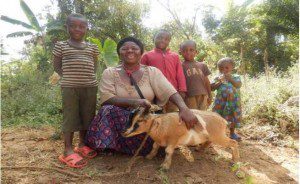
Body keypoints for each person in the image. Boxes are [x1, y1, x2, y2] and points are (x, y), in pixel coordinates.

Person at [85, 37, 201, 156]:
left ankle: (136, 148)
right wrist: (136, 102)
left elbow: (170, 91)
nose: (130, 51)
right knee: (107, 110)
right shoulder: (109, 72)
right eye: (124, 49)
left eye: (134, 48)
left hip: (145, 117)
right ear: (119, 53)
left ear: (141, 52)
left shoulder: (152, 72)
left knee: (161, 127)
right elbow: (107, 99)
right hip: (120, 119)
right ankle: (111, 146)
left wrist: (184, 108)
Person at [52, 13, 99, 168]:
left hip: (90, 87)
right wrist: (70, 78)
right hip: (70, 87)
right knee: (70, 116)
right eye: (73, 26)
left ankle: (82, 144)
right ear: (67, 28)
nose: (77, 29)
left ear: (86, 28)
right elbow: (57, 67)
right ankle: (67, 150)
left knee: (87, 116)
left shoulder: (93, 47)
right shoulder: (61, 46)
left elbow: (95, 66)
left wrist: (87, 78)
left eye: (82, 26)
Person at [141, 29, 186, 112]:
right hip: (155, 95)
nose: (163, 40)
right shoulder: (146, 56)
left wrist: (182, 90)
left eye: (166, 39)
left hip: (173, 94)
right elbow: (142, 75)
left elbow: (180, 74)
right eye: (160, 37)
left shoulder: (175, 56)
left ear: (169, 41)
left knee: (173, 117)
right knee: (158, 117)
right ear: (154, 38)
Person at [211, 58, 242, 141]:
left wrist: (230, 79)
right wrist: (220, 81)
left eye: (226, 68)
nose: (224, 70)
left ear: (232, 68)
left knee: (233, 117)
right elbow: (212, 88)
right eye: (221, 68)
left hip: (233, 102)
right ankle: (219, 133)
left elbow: (238, 85)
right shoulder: (217, 78)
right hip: (220, 102)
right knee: (218, 117)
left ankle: (232, 133)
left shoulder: (236, 77)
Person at [180, 40, 212, 110]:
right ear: (181, 52)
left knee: (203, 115)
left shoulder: (202, 65)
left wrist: (210, 95)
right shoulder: (180, 66)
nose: (188, 52)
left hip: (203, 94)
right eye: (185, 50)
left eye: (191, 50)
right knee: (193, 115)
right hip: (189, 96)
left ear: (196, 52)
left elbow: (207, 81)